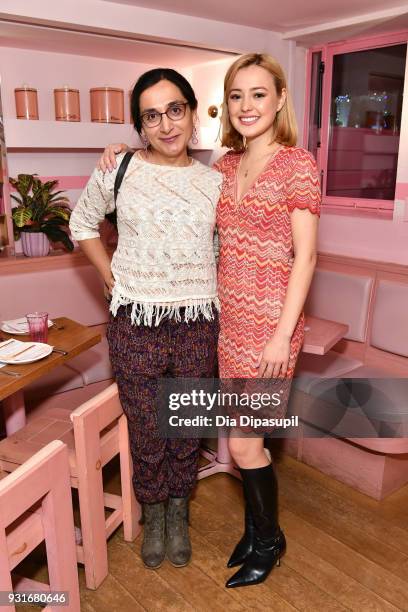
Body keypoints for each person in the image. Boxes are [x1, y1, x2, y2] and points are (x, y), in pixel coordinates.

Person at [98, 52, 321, 589]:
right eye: (238, 96)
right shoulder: (224, 167)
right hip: (227, 324)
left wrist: (281, 336)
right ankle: (258, 531)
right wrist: (125, 152)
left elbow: (307, 258)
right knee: (242, 440)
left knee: (245, 444)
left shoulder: (298, 164)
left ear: (280, 99)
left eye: (259, 94)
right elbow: (171, 179)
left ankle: (267, 543)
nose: (247, 106)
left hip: (270, 326)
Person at [69, 68, 222, 571]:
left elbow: (223, 248)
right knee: (147, 427)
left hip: (198, 319)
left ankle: (179, 512)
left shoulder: (215, 183)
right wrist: (108, 274)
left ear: (192, 113)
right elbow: (81, 222)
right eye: (151, 115)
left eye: (175, 109)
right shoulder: (120, 170)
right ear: (140, 125)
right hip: (135, 320)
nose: (166, 124)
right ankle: (153, 513)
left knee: (185, 424)